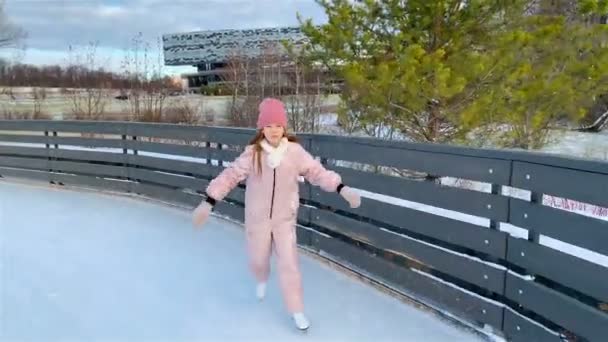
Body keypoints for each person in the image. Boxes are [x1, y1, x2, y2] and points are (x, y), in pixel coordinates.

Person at [192, 97, 361, 331]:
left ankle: (297, 309)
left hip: (284, 219)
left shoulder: (295, 152)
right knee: (258, 260)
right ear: (262, 128)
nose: (274, 130)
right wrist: (209, 201)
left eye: (278, 125)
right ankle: (261, 278)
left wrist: (341, 188)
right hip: (257, 219)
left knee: (289, 264)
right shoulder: (253, 155)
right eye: (269, 125)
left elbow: (316, 172)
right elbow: (230, 177)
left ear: (284, 127)